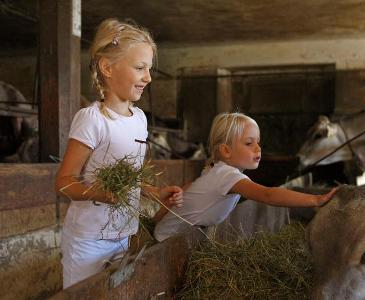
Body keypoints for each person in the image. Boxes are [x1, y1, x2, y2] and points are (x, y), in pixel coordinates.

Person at [55, 18, 183, 289]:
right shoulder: (92, 119)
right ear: (107, 67)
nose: (148, 77)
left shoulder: (139, 119)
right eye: (140, 68)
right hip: (89, 239)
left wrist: (155, 193)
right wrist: (102, 195)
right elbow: (64, 181)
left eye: (149, 69)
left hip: (124, 233)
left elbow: (130, 178)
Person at [154, 112, 338, 241]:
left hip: (172, 236)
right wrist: (315, 199)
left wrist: (156, 219)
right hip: (169, 240)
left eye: (258, 143)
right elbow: (268, 195)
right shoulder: (227, 175)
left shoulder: (215, 169)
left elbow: (187, 188)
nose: (258, 148)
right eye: (249, 143)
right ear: (226, 151)